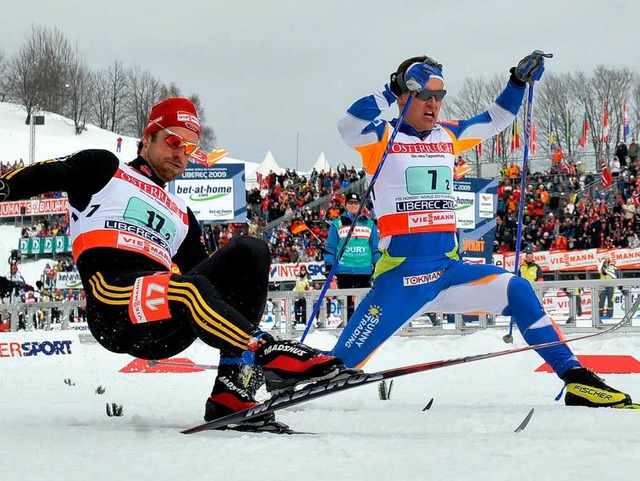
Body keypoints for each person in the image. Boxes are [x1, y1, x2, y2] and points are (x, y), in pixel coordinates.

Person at [0, 97, 348, 432]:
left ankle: (232, 390)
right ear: (147, 138)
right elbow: (46, 174)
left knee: (251, 251)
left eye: (190, 148)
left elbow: (212, 284)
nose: (180, 153)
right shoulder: (107, 169)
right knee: (187, 287)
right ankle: (267, 351)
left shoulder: (182, 213)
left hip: (163, 321)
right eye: (172, 141)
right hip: (114, 303)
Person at [331, 52, 633, 408]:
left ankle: (576, 380)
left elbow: (496, 118)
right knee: (336, 369)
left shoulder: (449, 135)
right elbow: (347, 126)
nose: (433, 104)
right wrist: (390, 87)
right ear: (404, 95)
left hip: (447, 272)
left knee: (517, 289)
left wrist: (517, 83)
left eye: (439, 97)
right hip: (402, 279)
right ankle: (262, 371)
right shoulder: (382, 137)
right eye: (424, 94)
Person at [324, 192, 381, 321]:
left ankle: (361, 326)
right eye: (350, 203)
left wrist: (377, 264)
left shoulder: (369, 223)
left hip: (364, 268)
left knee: (363, 302)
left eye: (356, 203)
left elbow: (375, 247)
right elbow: (331, 247)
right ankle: (347, 325)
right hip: (344, 269)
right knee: (347, 303)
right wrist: (329, 265)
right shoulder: (337, 223)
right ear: (345, 205)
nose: (353, 206)